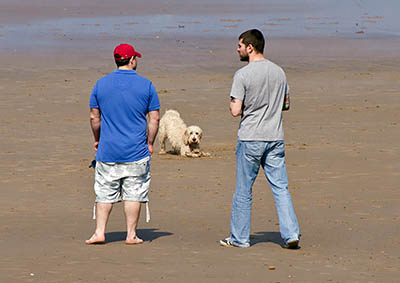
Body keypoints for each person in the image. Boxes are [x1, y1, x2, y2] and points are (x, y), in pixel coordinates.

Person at [220, 29, 300, 249]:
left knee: (244, 190)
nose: (237, 49)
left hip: (251, 138)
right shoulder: (279, 72)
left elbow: (235, 110)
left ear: (250, 47)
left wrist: (234, 104)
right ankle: (291, 233)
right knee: (280, 188)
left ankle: (239, 238)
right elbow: (286, 104)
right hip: (274, 136)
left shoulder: (242, 75)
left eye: (239, 46)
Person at [86, 43, 160, 245]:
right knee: (134, 193)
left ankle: (100, 232)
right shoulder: (147, 85)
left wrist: (97, 139)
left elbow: (95, 117)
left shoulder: (101, 84)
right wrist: (150, 142)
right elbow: (154, 119)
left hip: (108, 150)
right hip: (136, 150)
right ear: (132, 60)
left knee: (104, 192)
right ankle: (131, 234)